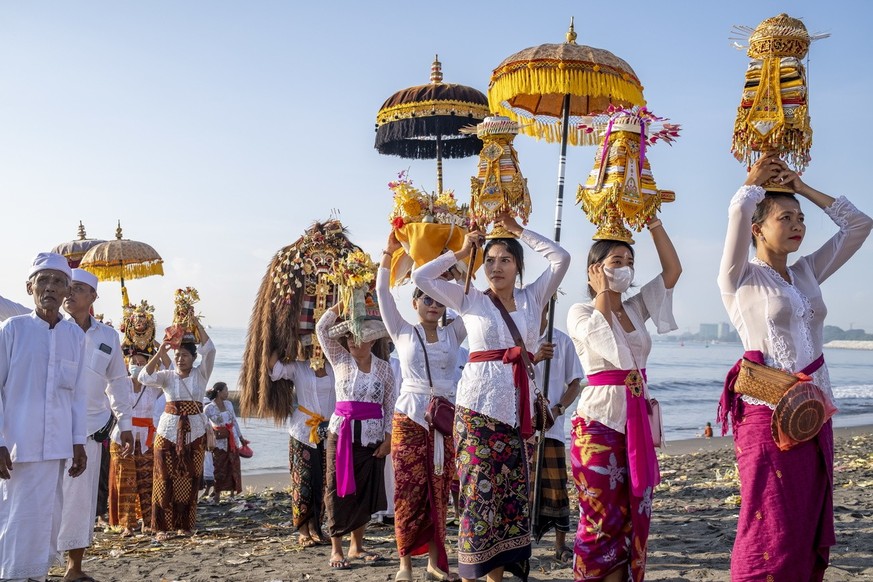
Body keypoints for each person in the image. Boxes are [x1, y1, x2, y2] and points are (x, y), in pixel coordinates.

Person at [716, 154, 872, 580]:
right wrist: (752, 184)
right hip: (765, 416)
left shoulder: (807, 273)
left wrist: (802, 188)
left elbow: (860, 225)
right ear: (757, 228)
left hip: (813, 413)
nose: (797, 224)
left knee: (804, 522)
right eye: (785, 217)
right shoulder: (738, 278)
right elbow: (737, 211)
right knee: (768, 520)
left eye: (800, 218)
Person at [413, 212, 570, 582]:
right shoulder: (469, 298)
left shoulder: (534, 297)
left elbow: (561, 258)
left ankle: (496, 579)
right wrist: (461, 250)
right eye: (489, 260)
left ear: (518, 266)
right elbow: (422, 277)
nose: (495, 266)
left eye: (505, 259)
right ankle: (471, 576)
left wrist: (518, 231)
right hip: (477, 413)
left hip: (520, 416)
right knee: (478, 501)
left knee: (512, 503)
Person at [566, 217, 681, 582]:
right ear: (595, 270)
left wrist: (654, 223)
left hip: (637, 421)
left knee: (635, 513)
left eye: (629, 262)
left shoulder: (635, 308)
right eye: (617, 262)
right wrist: (601, 292)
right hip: (598, 423)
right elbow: (608, 347)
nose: (625, 269)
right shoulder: (580, 311)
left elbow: (673, 270)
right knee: (601, 517)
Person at [377, 231, 467, 582]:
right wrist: (388, 253)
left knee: (439, 492)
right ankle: (405, 565)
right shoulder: (401, 330)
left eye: (438, 300)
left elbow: (471, 297)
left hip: (445, 419)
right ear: (414, 303)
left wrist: (460, 259)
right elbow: (383, 293)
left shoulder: (454, 333)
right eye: (425, 299)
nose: (433, 305)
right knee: (408, 491)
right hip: (409, 418)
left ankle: (435, 562)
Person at [0, 253, 88, 582]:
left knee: (48, 523)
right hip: (16, 450)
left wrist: (78, 442)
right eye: (43, 280)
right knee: (16, 521)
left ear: (68, 291)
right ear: (29, 287)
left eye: (58, 281)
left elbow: (77, 393)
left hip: (57, 449)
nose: (50, 287)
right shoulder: (12, 330)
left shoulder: (75, 337)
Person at [56, 269, 135, 582]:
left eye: (78, 289)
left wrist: (125, 422)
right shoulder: (52, 329)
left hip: (90, 430)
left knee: (81, 502)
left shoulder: (107, 336)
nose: (69, 294)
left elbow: (118, 380)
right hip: (52, 428)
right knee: (47, 497)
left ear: (93, 297)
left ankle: (73, 568)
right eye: (68, 287)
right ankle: (34, 564)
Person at [316, 304, 395, 571]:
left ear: (372, 339)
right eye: (349, 336)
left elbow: (390, 404)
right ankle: (337, 549)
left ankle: (357, 546)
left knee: (364, 490)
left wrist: (388, 438)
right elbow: (321, 329)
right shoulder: (339, 359)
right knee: (335, 489)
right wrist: (342, 305)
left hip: (371, 437)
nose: (351, 342)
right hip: (340, 434)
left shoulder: (384, 369)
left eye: (357, 336)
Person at [139, 317, 215, 540]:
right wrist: (160, 350)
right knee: (163, 477)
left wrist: (196, 324)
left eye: (185, 355)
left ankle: (184, 524)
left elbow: (210, 350)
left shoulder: (201, 374)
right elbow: (144, 377)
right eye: (177, 355)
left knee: (190, 479)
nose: (180, 359)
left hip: (196, 432)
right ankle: (160, 526)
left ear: (193, 357)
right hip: (167, 431)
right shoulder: (167, 376)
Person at [529, 305, 584, 564]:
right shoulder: (517, 340)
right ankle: (519, 548)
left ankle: (560, 545)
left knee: (556, 487)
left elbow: (575, 382)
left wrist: (558, 408)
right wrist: (534, 358)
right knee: (520, 489)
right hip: (521, 426)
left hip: (551, 427)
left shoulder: (561, 340)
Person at [267, 351, 336, 547]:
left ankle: (317, 528)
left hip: (330, 430)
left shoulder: (335, 366)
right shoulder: (298, 367)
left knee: (324, 482)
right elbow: (273, 367)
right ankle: (303, 530)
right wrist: (278, 340)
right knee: (303, 480)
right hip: (302, 431)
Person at [109, 354, 162, 536]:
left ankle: (148, 522)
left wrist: (160, 349)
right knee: (126, 481)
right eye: (134, 363)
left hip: (146, 440)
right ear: (127, 363)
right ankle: (127, 525)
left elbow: (169, 370)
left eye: (142, 363)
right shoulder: (119, 383)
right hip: (122, 438)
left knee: (147, 481)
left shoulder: (153, 386)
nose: (137, 366)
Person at [204, 381, 244, 503]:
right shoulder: (208, 408)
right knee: (219, 468)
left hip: (232, 439)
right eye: (225, 390)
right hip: (219, 442)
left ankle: (232, 493)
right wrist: (210, 435)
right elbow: (204, 425)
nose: (227, 393)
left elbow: (235, 421)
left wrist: (241, 437)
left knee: (233, 466)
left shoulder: (229, 404)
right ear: (218, 392)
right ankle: (217, 494)